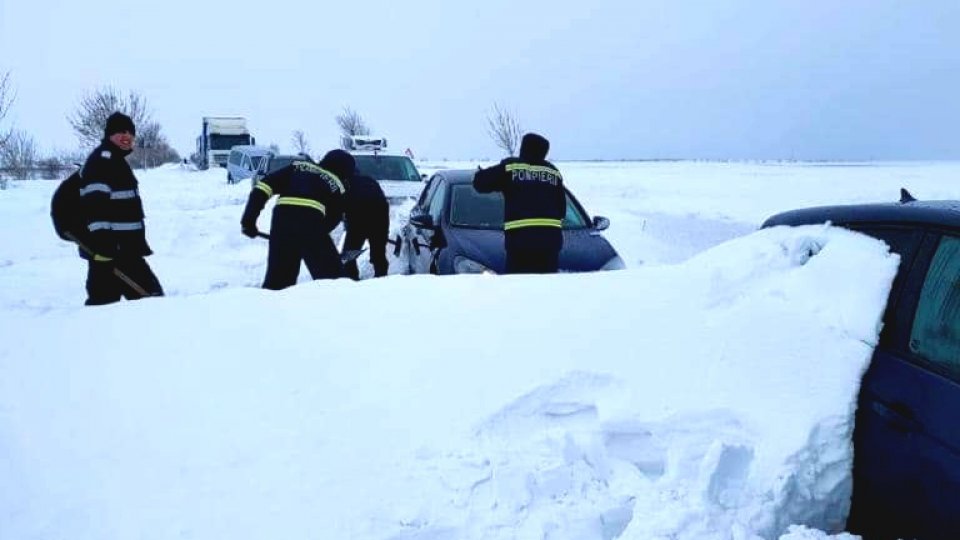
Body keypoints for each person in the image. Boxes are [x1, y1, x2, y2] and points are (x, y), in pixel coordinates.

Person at [74, 111, 164, 305]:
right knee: (152, 302)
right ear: (109, 135)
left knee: (104, 304)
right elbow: (95, 207)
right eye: (120, 132)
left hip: (120, 250)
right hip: (115, 252)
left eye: (130, 132)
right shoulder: (102, 162)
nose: (127, 136)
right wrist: (105, 246)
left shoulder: (114, 161)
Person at [241, 149, 352, 290]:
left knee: (278, 282)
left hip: (282, 221)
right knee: (333, 281)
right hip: (312, 223)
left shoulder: (296, 167)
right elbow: (334, 217)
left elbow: (262, 188)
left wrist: (249, 220)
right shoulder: (336, 184)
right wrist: (313, 237)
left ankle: (271, 308)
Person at [473, 132, 566, 274]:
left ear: (524, 148)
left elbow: (480, 183)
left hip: (521, 243)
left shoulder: (511, 167)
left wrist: (483, 173)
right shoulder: (554, 172)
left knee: (518, 288)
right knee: (548, 290)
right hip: (550, 243)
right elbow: (562, 210)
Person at [342, 172, 390, 280]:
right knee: (378, 253)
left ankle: (351, 280)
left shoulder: (345, 183)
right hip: (379, 219)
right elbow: (383, 202)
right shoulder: (370, 181)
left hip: (358, 221)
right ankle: (381, 279)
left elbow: (341, 205)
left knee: (349, 254)